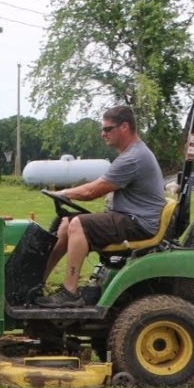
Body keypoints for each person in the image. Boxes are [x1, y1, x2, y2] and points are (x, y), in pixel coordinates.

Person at [37, 105, 165, 307]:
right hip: (129, 216)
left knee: (78, 224)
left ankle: (70, 292)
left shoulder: (134, 157)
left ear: (124, 127)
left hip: (138, 222)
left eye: (107, 129)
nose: (103, 133)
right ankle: (36, 283)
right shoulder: (129, 154)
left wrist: (63, 193)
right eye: (102, 129)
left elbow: (91, 191)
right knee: (65, 224)